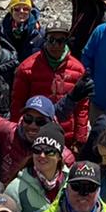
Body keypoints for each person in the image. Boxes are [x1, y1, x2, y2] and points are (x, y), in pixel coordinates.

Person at [12, 16, 91, 149]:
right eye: (51, 40)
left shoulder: (78, 70)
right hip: (35, 134)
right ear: (45, 40)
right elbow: (17, 104)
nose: (55, 45)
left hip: (66, 135)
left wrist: (80, 138)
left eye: (60, 41)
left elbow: (82, 107)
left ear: (66, 42)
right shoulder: (26, 68)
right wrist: (16, 135)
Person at [6, 124, 70, 212]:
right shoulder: (15, 189)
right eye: (37, 150)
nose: (42, 156)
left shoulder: (72, 183)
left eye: (49, 151)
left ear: (59, 156)